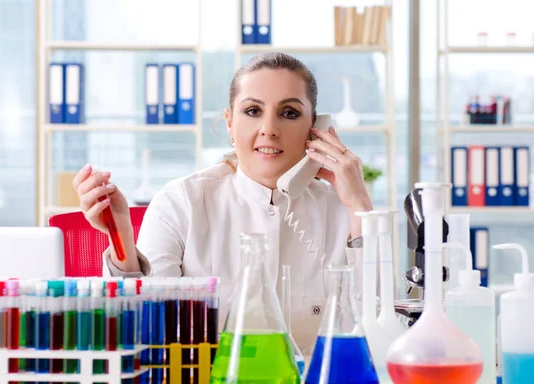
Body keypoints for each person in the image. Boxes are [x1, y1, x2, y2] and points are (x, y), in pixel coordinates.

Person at [72, 52, 373, 352]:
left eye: (289, 113)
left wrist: (360, 208)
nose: (269, 129)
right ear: (229, 123)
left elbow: (375, 327)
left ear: (315, 128)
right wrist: (121, 234)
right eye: (253, 111)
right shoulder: (182, 201)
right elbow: (141, 330)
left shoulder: (340, 209)